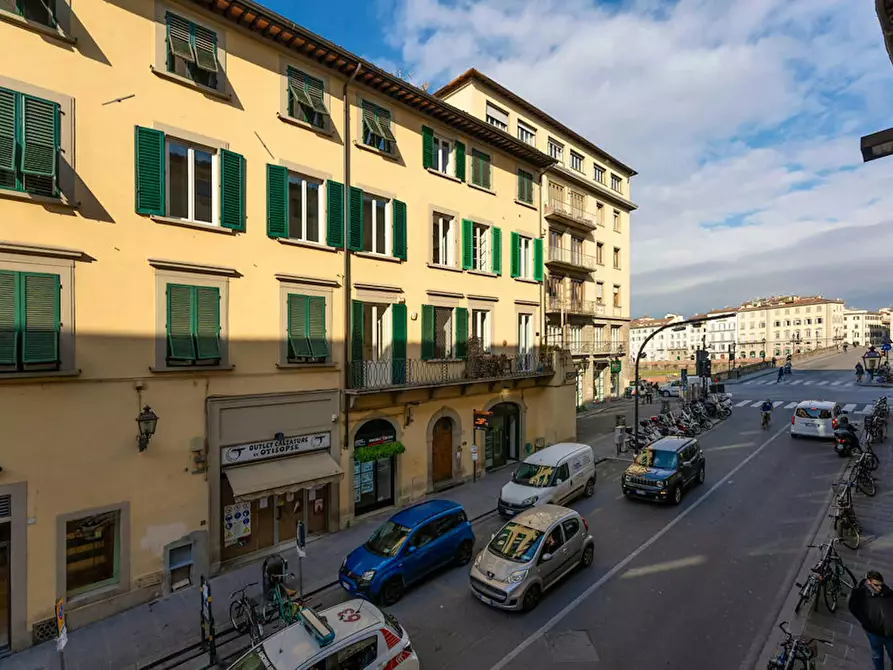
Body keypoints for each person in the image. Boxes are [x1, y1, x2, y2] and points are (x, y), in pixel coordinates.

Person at [849, 570, 893, 670]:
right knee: (877, 655)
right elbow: (853, 607)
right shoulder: (860, 593)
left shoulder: (887, 593)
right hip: (873, 633)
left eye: (881, 585)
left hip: (890, 634)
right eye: (876, 585)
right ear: (868, 582)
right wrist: (866, 622)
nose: (879, 588)